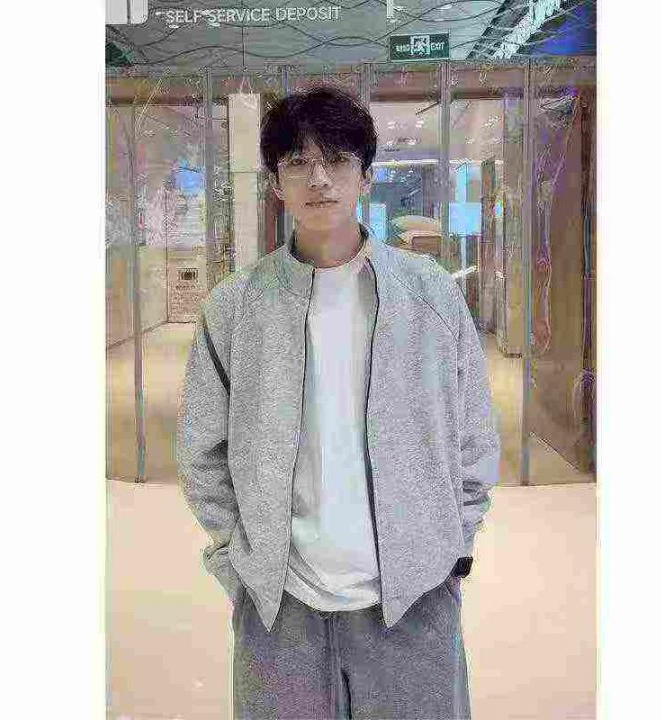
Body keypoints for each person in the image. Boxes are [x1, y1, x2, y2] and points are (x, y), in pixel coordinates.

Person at [177, 86, 500, 719]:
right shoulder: (236, 307)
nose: (319, 178)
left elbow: (473, 435)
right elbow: (201, 450)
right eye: (298, 162)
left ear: (366, 176)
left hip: (412, 598)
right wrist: (239, 564)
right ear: (276, 183)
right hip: (281, 605)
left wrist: (451, 550)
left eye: (337, 160)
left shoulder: (428, 294)